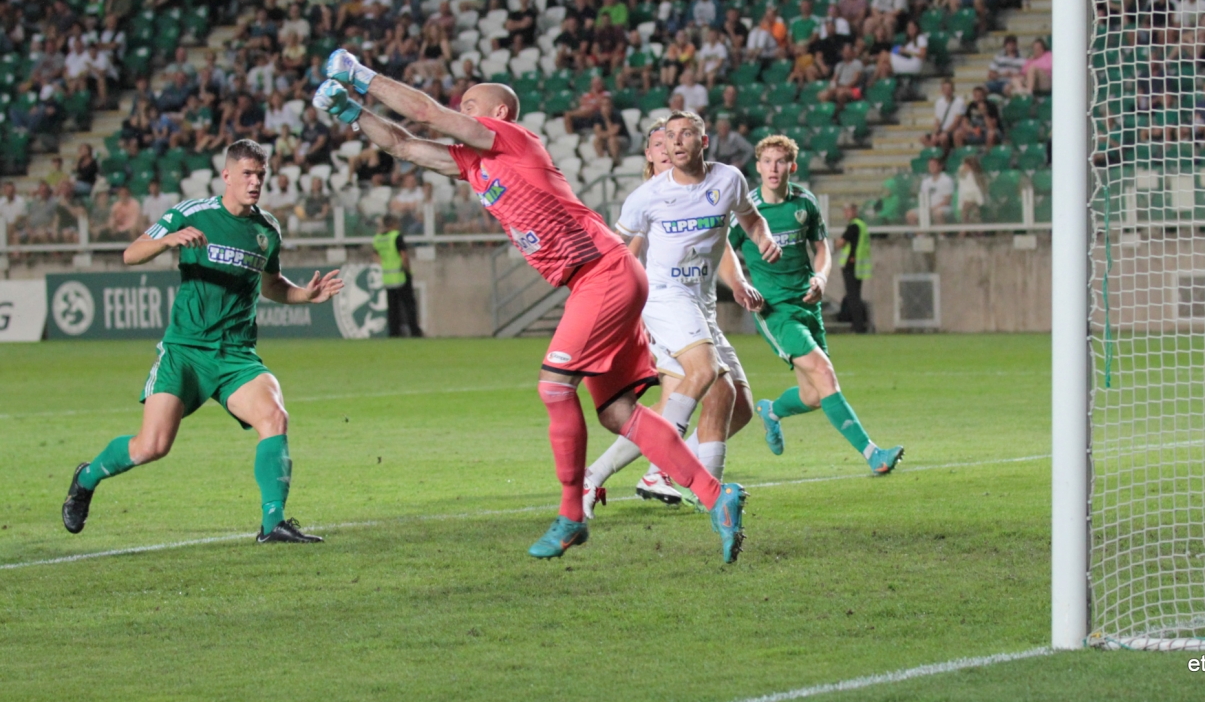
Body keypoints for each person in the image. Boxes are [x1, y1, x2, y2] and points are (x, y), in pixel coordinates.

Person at [316, 50, 753, 562]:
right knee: (618, 414)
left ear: (498, 115)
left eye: (470, 104)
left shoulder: (512, 139)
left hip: (604, 273)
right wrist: (352, 112)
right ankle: (716, 497)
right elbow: (402, 143)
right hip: (598, 278)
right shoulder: (474, 163)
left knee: (553, 386)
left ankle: (571, 517)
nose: (461, 109)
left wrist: (362, 76)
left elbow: (427, 114)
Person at [63, 140, 345, 544]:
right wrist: (168, 240)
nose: (255, 182)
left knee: (274, 416)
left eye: (260, 175)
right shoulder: (192, 213)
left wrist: (304, 295)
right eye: (247, 174)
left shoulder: (266, 230)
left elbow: (271, 284)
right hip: (185, 351)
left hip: (235, 354)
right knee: (151, 446)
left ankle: (273, 523)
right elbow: (131, 253)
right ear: (226, 175)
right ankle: (87, 478)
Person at [583, 113, 775, 512]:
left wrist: (745, 270)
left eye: (683, 135)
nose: (672, 144)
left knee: (737, 405)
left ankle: (608, 474)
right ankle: (698, 488)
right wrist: (618, 310)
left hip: (700, 307)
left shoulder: (726, 181)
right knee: (706, 379)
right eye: (665, 139)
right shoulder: (647, 198)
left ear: (702, 141)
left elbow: (730, 233)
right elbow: (620, 256)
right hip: (662, 304)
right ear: (653, 153)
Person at [731, 135, 903, 473]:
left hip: (808, 304)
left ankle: (772, 411)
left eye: (780, 161)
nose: (773, 168)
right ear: (758, 167)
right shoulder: (747, 211)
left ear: (792, 166)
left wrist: (822, 278)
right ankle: (873, 454)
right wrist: (741, 284)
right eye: (767, 161)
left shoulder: (805, 202)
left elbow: (822, 248)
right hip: (775, 310)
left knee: (812, 395)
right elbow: (723, 249)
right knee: (825, 374)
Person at [373, 214, 423, 337]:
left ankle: (394, 332)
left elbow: (375, 256)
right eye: (397, 223)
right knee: (409, 305)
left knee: (392, 307)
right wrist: (407, 270)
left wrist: (385, 265)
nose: (399, 225)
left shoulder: (378, 239)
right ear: (392, 224)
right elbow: (404, 256)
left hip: (388, 277)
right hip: (400, 275)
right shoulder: (396, 236)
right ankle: (414, 331)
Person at [834, 202, 870, 332]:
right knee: (855, 295)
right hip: (859, 265)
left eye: (848, 211)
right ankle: (860, 324)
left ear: (854, 211)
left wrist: (835, 243)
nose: (845, 214)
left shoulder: (854, 226)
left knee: (853, 296)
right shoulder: (862, 225)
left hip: (851, 265)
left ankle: (858, 326)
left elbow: (841, 242)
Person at [906, 157, 954, 225]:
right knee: (910, 215)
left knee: (938, 213)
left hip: (943, 208)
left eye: (933, 165)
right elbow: (923, 197)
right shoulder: (925, 182)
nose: (931, 167)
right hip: (927, 208)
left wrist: (933, 208)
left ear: (940, 166)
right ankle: (920, 232)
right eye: (930, 165)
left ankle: (941, 232)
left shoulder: (946, 180)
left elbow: (947, 201)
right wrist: (926, 208)